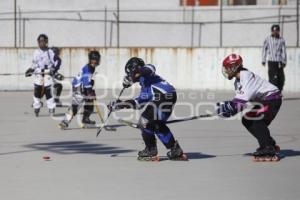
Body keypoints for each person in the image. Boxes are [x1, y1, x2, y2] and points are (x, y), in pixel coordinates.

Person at [107, 57, 187, 161]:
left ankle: (150, 151)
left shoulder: (148, 72)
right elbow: (138, 103)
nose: (130, 76)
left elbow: (149, 68)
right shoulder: (145, 85)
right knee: (156, 124)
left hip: (163, 97)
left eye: (130, 73)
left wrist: (134, 74)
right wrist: (119, 105)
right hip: (168, 97)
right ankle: (175, 151)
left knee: (144, 121)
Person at [217, 53, 282, 161]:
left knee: (256, 120)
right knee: (246, 119)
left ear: (234, 67)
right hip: (264, 101)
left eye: (228, 68)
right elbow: (241, 103)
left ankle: (268, 148)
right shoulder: (237, 82)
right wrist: (229, 110)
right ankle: (269, 143)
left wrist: (230, 108)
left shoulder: (245, 76)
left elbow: (240, 101)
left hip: (272, 99)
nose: (226, 71)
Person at [59, 50, 100, 129]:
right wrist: (90, 92)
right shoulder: (88, 68)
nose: (95, 61)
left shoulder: (92, 67)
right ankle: (65, 121)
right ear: (90, 59)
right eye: (93, 59)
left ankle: (86, 119)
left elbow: (89, 81)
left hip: (83, 87)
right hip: (79, 87)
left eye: (97, 59)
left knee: (90, 102)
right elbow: (85, 81)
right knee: (76, 105)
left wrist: (91, 90)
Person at [25, 34, 58, 117]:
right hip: (39, 72)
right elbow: (34, 63)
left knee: (48, 90)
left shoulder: (50, 52)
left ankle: (51, 107)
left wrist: (53, 70)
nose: (41, 43)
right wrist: (31, 69)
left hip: (48, 72)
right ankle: (36, 106)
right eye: (40, 42)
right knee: (37, 89)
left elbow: (54, 62)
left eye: (43, 41)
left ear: (46, 42)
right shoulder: (36, 52)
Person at [262, 24, 287, 92]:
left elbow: (283, 51)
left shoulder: (281, 40)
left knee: (281, 78)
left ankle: (279, 92)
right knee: (273, 78)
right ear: (271, 31)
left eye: (277, 31)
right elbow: (264, 49)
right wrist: (263, 60)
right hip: (271, 61)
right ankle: (272, 92)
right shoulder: (268, 39)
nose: (275, 32)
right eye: (274, 31)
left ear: (279, 31)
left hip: (279, 61)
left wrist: (284, 61)